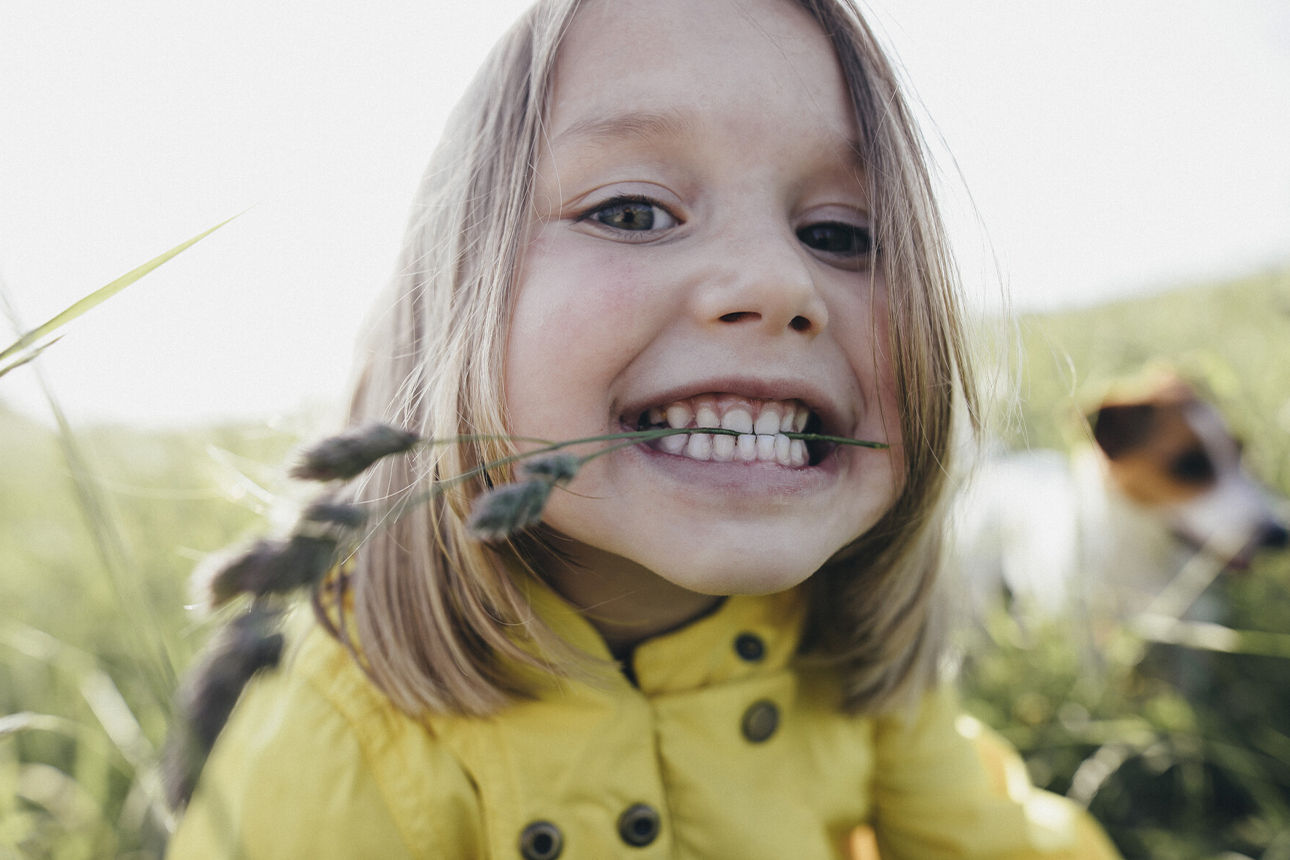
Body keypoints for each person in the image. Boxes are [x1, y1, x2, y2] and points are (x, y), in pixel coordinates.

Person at [167, 0, 1122, 856]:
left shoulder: (844, 660)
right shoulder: (334, 750)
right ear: (453, 304)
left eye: (840, 234)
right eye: (632, 211)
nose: (776, 284)